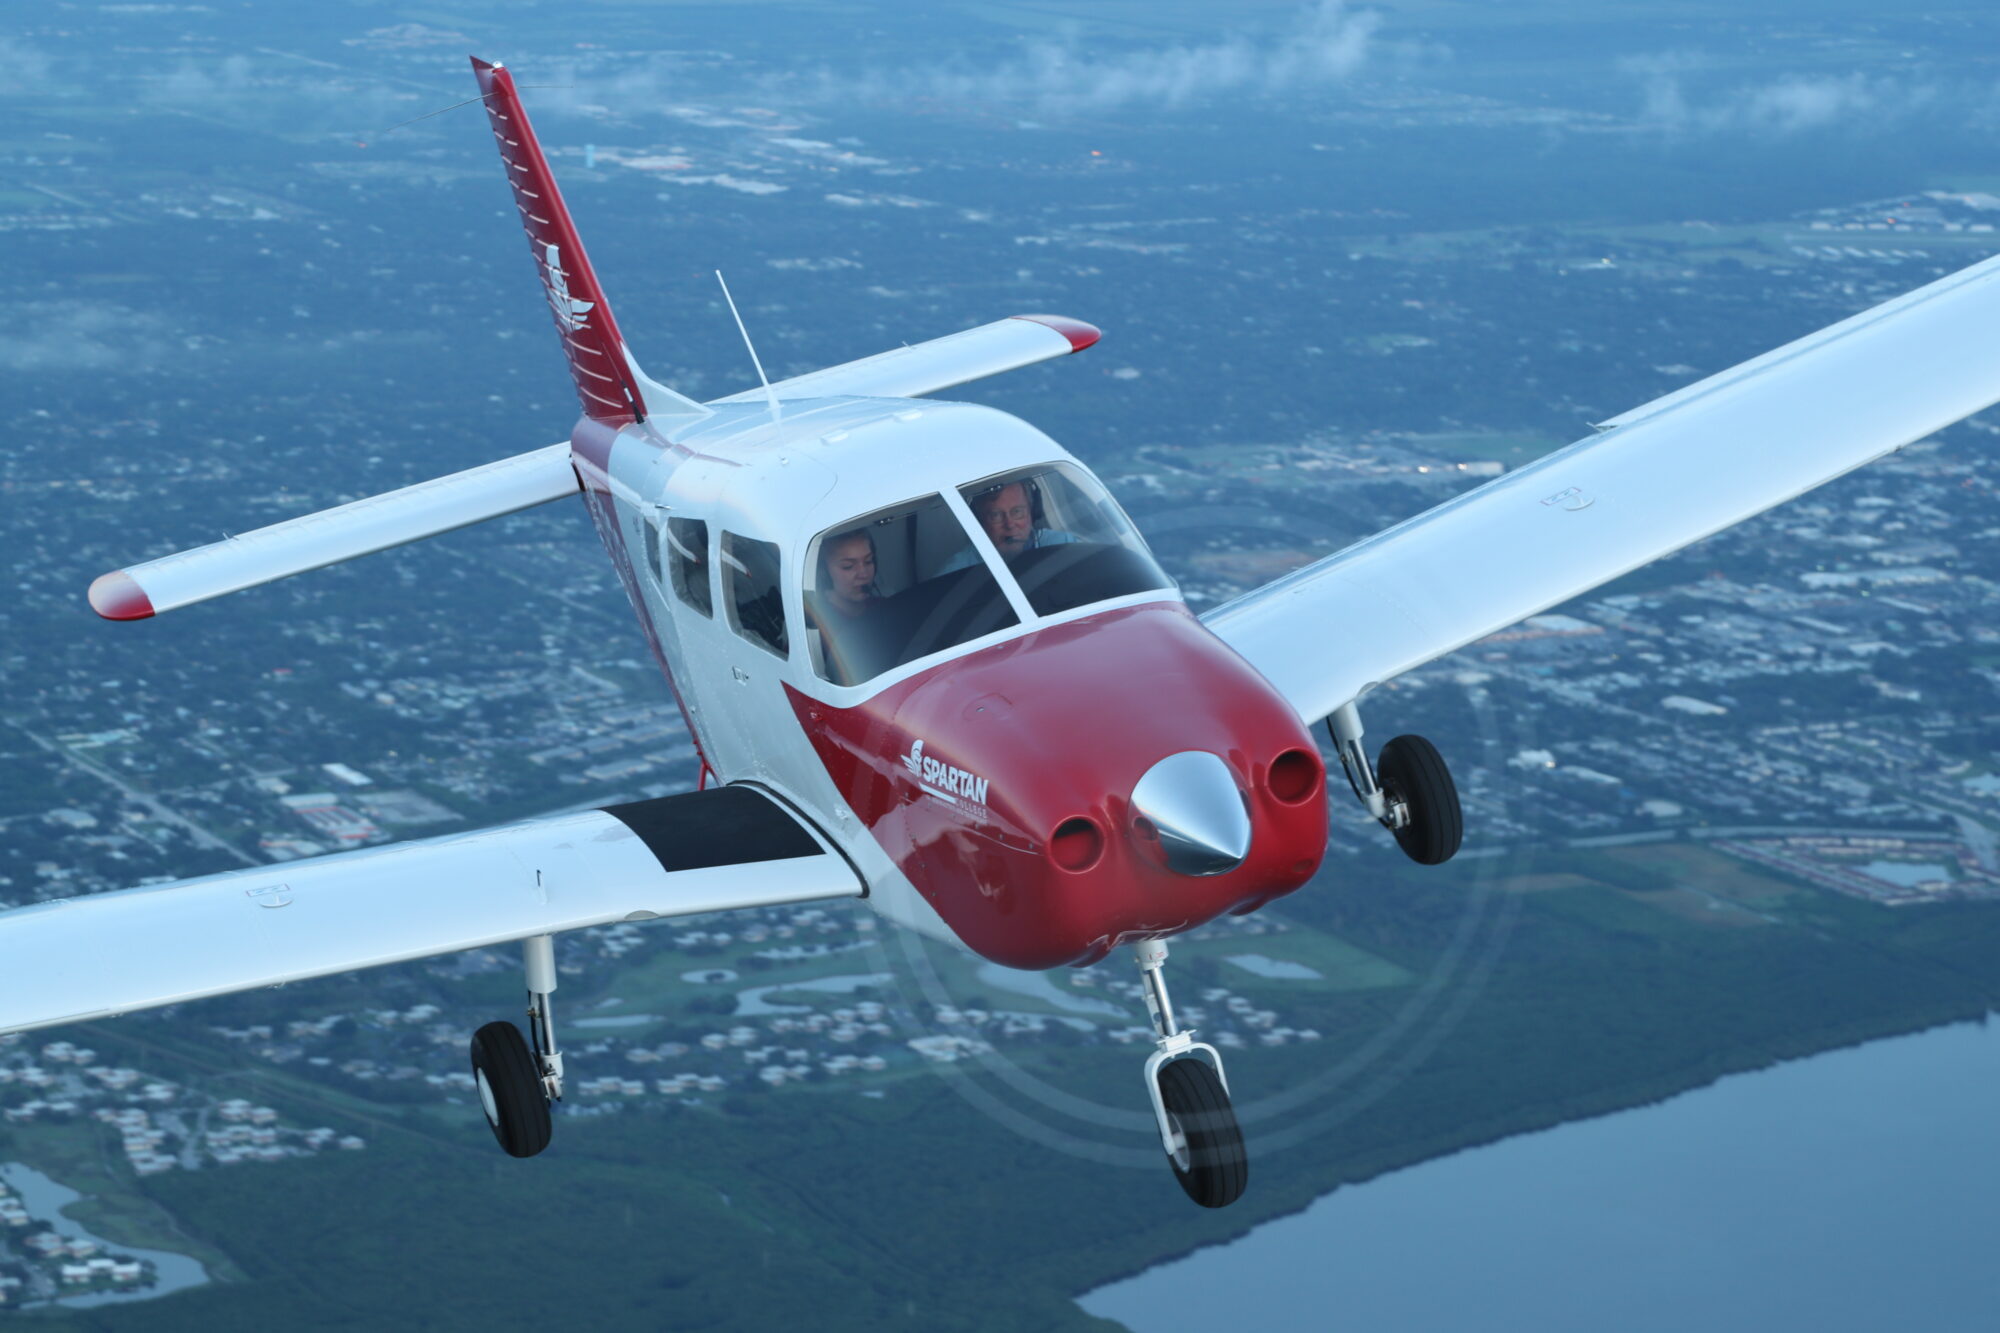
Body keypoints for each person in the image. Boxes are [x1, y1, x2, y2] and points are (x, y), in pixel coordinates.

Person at [808, 529, 894, 684]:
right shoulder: (812, 630)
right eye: (848, 566)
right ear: (823, 573)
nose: (863, 574)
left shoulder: (888, 608)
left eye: (868, 561)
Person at [942, 479, 1077, 572]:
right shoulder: (956, 571)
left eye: (1017, 512)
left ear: (1033, 511)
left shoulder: (1064, 546)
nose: (1010, 525)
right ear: (979, 521)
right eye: (996, 515)